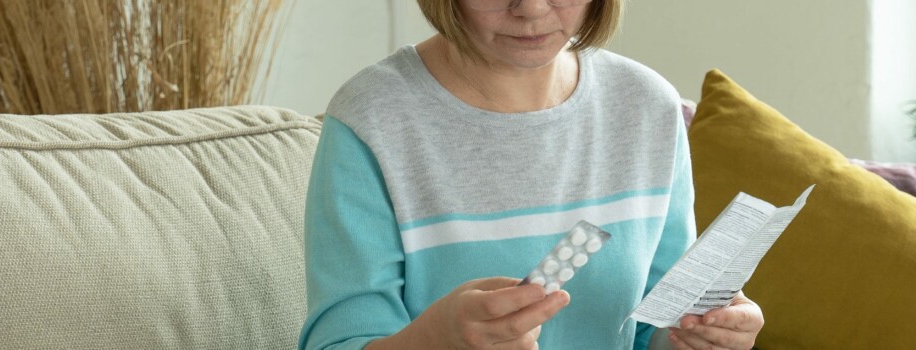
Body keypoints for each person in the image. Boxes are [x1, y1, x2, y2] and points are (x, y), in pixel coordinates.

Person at [298, 0, 764, 349]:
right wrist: (437, 338)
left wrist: (699, 335)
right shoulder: (373, 119)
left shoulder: (646, 106)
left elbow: (648, 329)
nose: (532, 9)